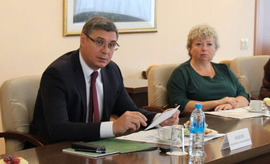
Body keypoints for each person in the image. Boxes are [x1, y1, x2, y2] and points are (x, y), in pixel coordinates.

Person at [30, 17, 179, 144]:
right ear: (83, 40)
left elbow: (128, 109)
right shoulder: (58, 74)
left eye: (111, 45)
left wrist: (159, 119)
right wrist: (113, 127)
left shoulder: (111, 70)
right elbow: (58, 129)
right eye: (99, 42)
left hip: (96, 148)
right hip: (55, 151)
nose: (105, 51)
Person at [167, 25, 250, 116]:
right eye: (199, 44)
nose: (204, 48)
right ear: (190, 49)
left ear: (215, 49)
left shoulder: (224, 69)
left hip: (232, 118)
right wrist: (218, 103)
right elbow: (179, 104)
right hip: (199, 121)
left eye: (209, 44)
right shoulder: (181, 73)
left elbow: (244, 95)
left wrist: (231, 105)